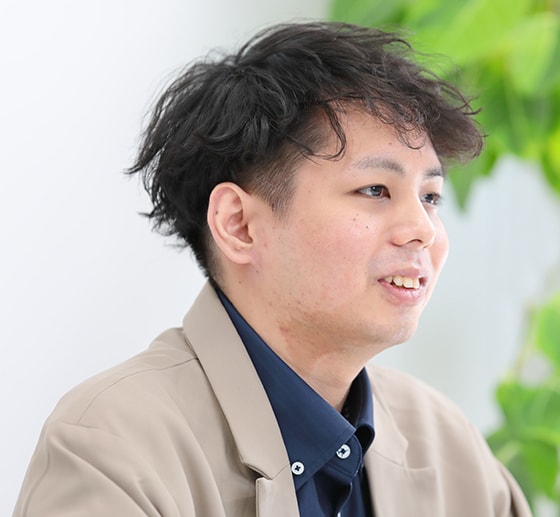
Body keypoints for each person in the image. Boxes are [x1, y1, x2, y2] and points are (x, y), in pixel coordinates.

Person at [14, 21, 531, 517]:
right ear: (238, 225)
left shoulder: (447, 444)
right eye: (375, 189)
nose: (423, 230)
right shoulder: (111, 447)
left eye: (431, 197)